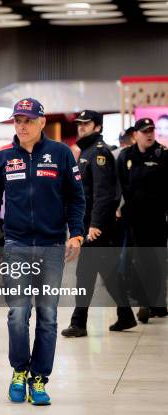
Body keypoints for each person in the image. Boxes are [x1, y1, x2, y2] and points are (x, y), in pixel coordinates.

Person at [0, 98, 85, 406]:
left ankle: (39, 379)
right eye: (17, 120)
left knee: (48, 316)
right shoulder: (3, 158)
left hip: (52, 246)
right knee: (18, 314)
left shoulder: (61, 154)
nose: (22, 126)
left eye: (27, 120)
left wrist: (77, 233)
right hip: (15, 246)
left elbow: (76, 198)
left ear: (42, 122)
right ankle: (19, 371)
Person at [61, 110, 135, 337]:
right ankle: (125, 315)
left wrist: (94, 225)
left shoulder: (99, 153)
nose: (81, 127)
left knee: (85, 273)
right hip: (89, 223)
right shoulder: (87, 151)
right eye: (79, 123)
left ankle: (79, 323)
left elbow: (104, 194)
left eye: (86, 123)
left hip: (96, 226)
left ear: (98, 127)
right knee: (108, 271)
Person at [116, 118, 168, 322]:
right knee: (136, 260)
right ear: (135, 134)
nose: (149, 134)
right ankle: (145, 301)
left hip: (156, 218)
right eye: (144, 131)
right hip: (132, 218)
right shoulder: (126, 156)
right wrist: (118, 209)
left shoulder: (162, 155)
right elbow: (119, 184)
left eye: (151, 131)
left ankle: (157, 303)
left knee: (156, 260)